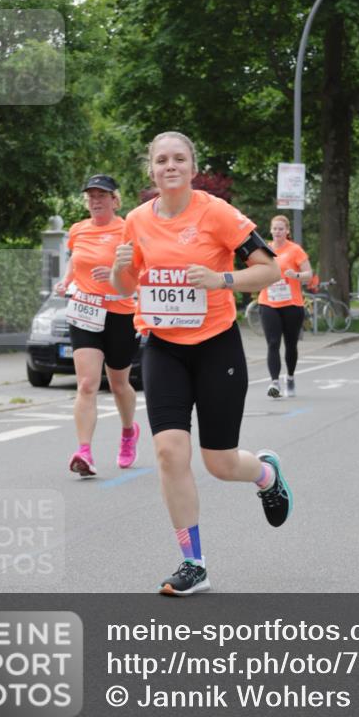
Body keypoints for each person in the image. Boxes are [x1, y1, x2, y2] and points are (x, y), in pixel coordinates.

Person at [111, 132, 292, 596]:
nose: (169, 166)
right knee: (170, 453)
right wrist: (120, 266)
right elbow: (125, 286)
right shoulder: (135, 221)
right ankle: (193, 563)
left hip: (216, 345)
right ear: (150, 170)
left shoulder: (217, 213)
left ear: (192, 167)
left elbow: (270, 270)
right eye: (161, 160)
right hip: (163, 347)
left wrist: (220, 278)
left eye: (179, 159)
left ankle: (265, 473)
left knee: (220, 463)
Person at [56, 175, 140, 478]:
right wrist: (65, 281)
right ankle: (84, 452)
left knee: (118, 384)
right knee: (87, 384)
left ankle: (129, 432)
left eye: (102, 195)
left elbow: (140, 266)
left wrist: (118, 273)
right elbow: (73, 262)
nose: (95, 200)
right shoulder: (78, 230)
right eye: (91, 195)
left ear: (114, 199)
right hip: (85, 311)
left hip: (119, 311)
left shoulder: (128, 228)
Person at [257, 214, 313, 398]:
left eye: (281, 229)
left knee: (290, 344)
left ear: (287, 231)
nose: (277, 232)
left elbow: (309, 274)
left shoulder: (295, 250)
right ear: (271, 230)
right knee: (273, 343)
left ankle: (289, 377)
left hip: (291, 303)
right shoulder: (264, 249)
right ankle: (274, 383)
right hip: (268, 302)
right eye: (275, 228)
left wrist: (295, 275)